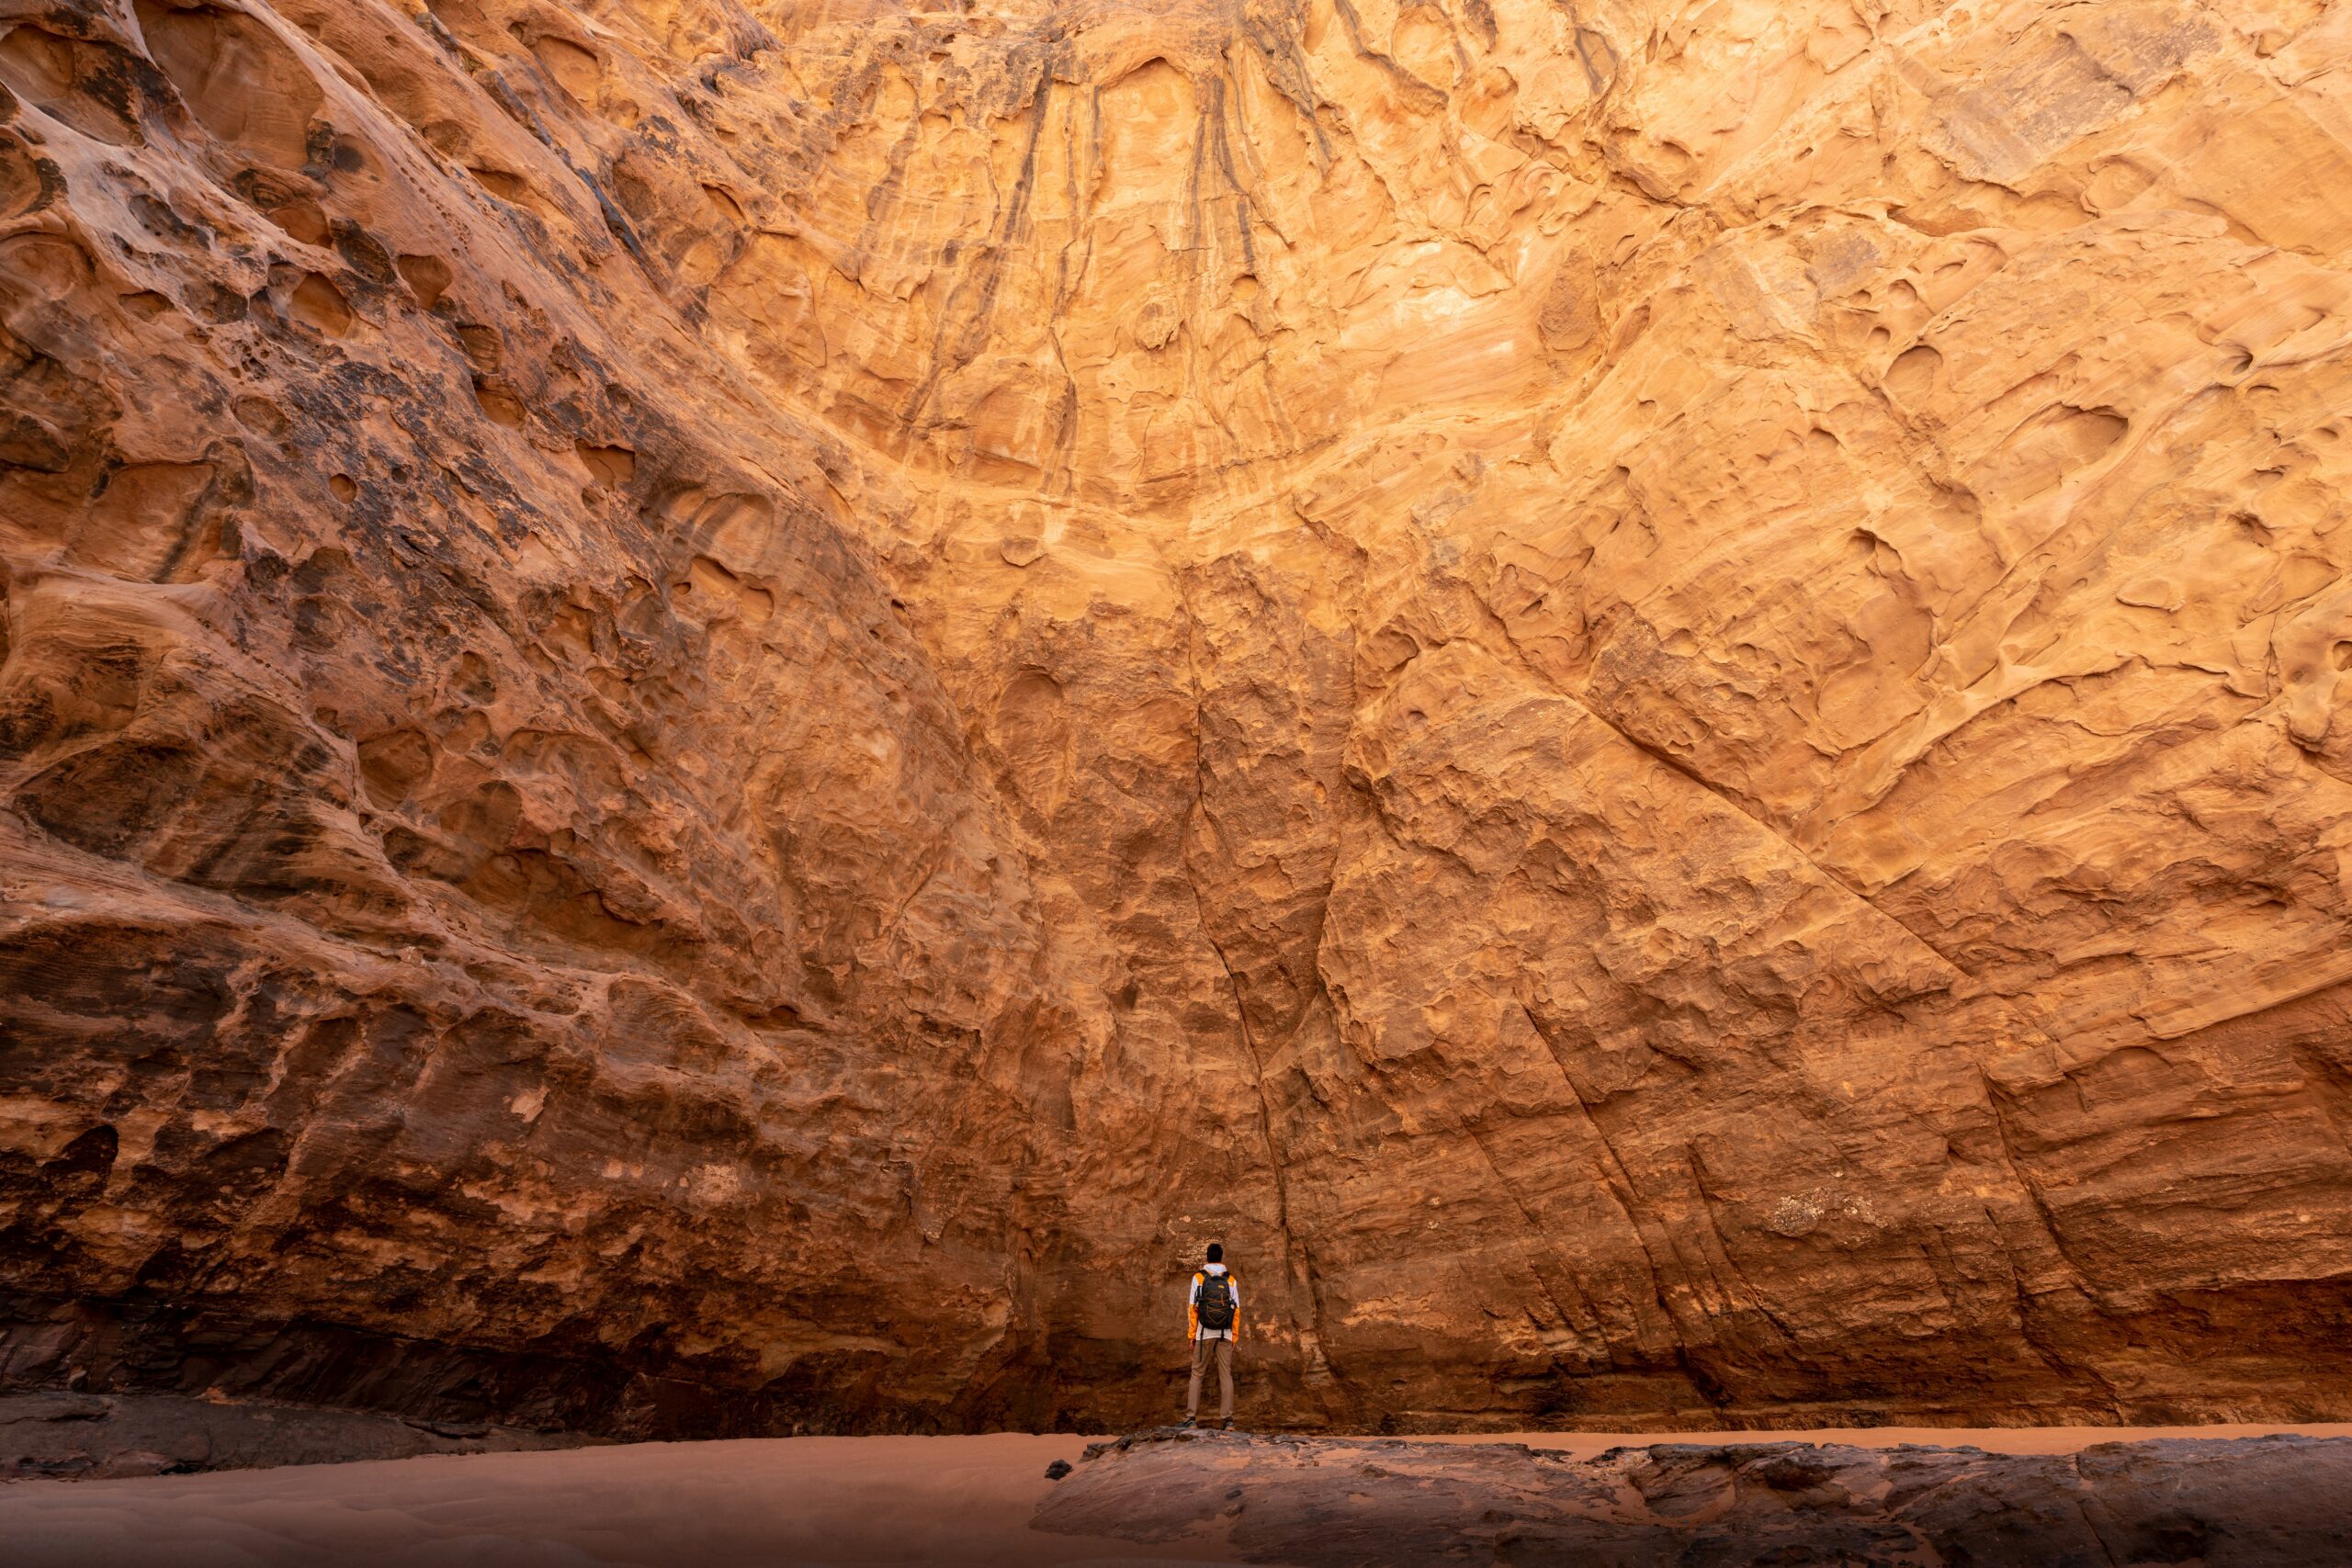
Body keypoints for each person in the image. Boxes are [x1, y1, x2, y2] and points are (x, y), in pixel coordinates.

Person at [1181, 1242, 1239, 1429]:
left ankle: (1190, 1419)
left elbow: (1192, 1309)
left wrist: (1192, 1335)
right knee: (1226, 1376)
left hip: (1204, 1332)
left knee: (1197, 1374)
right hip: (1226, 1333)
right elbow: (1236, 1310)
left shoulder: (1198, 1277)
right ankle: (1228, 1421)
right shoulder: (1231, 1279)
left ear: (1207, 1257)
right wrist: (1234, 1336)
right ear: (1222, 1258)